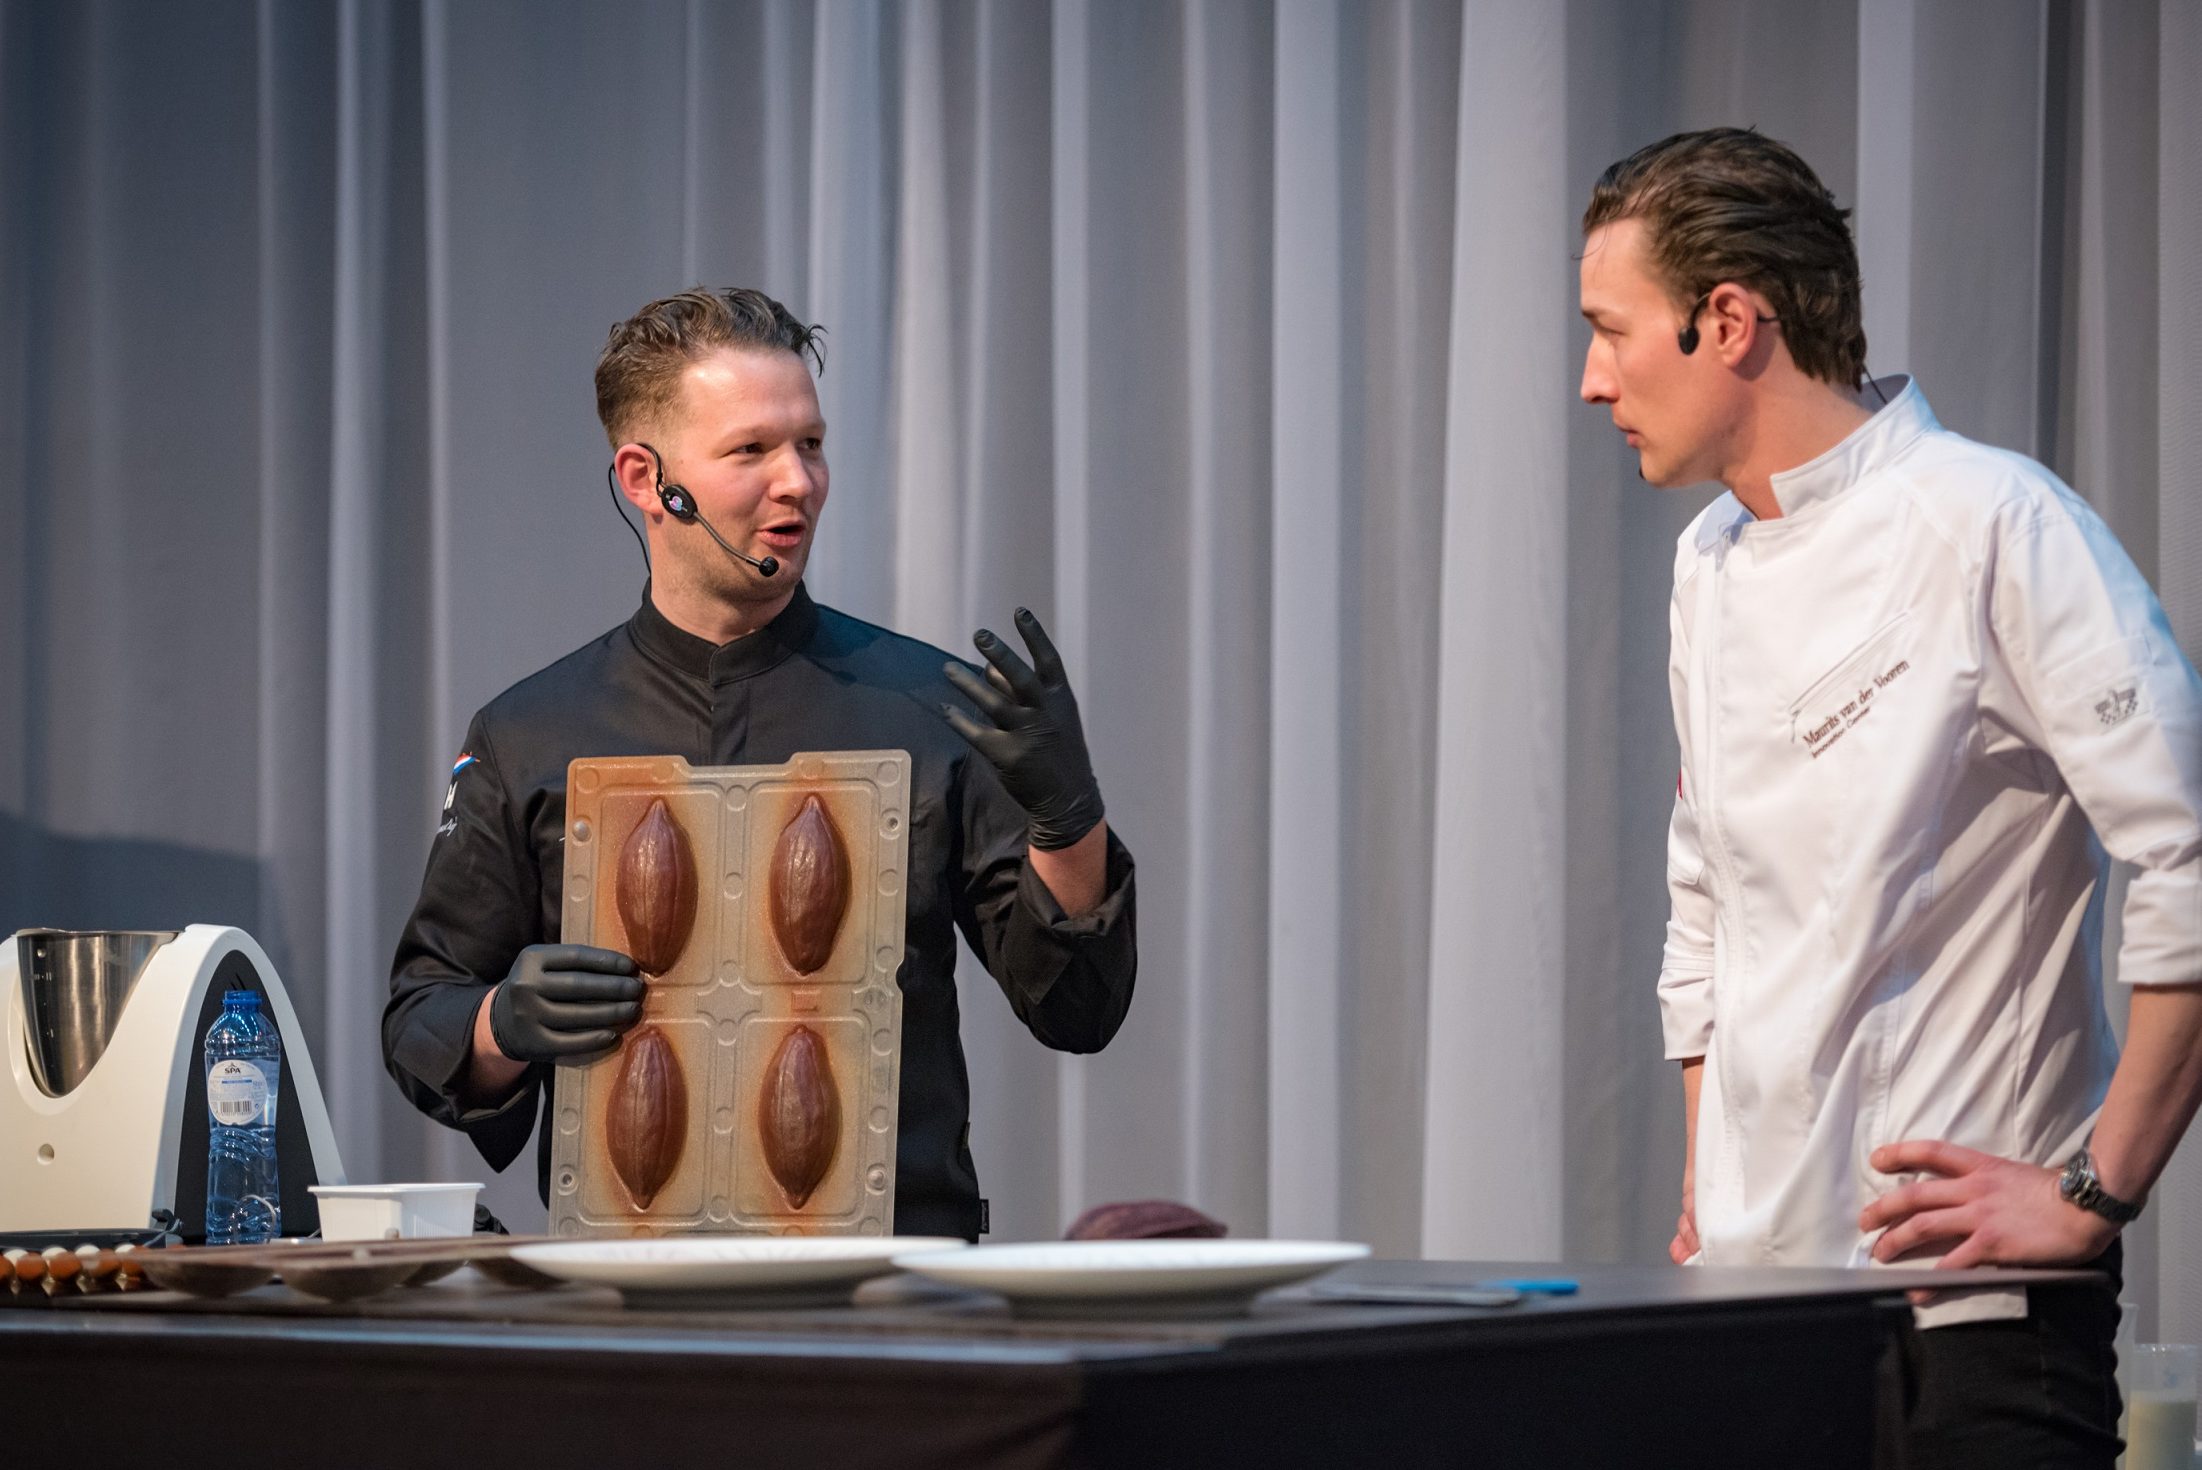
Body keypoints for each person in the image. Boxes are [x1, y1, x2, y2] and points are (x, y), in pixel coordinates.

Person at [1579, 127, 2202, 1465]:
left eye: (1609, 332)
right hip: (1752, 1317)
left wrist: (2098, 1185)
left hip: (1966, 1321)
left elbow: (2189, 849)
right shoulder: (1705, 561)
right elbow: (1703, 896)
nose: (1589, 381)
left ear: (1725, 322)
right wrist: (1712, 1179)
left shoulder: (1990, 522)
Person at [382, 287, 1136, 1240]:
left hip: (888, 1295)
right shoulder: (530, 732)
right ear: (646, 480)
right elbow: (421, 1020)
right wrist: (502, 1024)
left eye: (811, 444)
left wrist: (1070, 822)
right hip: (626, 1293)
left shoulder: (931, 707)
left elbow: (1078, 1010)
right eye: (753, 451)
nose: (799, 483)